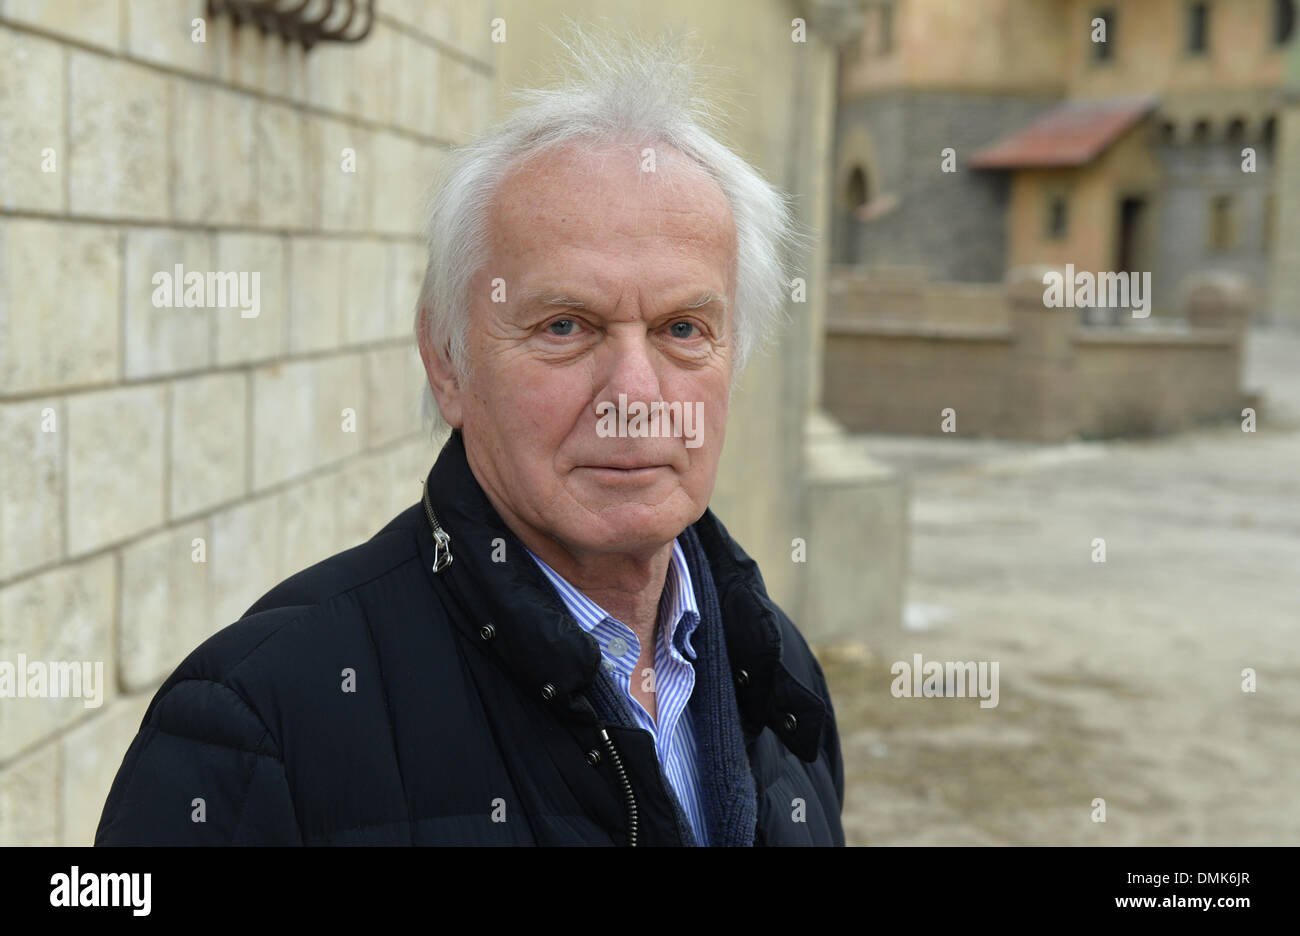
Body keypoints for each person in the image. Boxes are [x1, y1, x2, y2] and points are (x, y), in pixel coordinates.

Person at [95, 30, 844, 847]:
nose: (636, 396)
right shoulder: (259, 721)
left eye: (683, 328)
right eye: (566, 325)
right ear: (447, 362)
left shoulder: (774, 669)